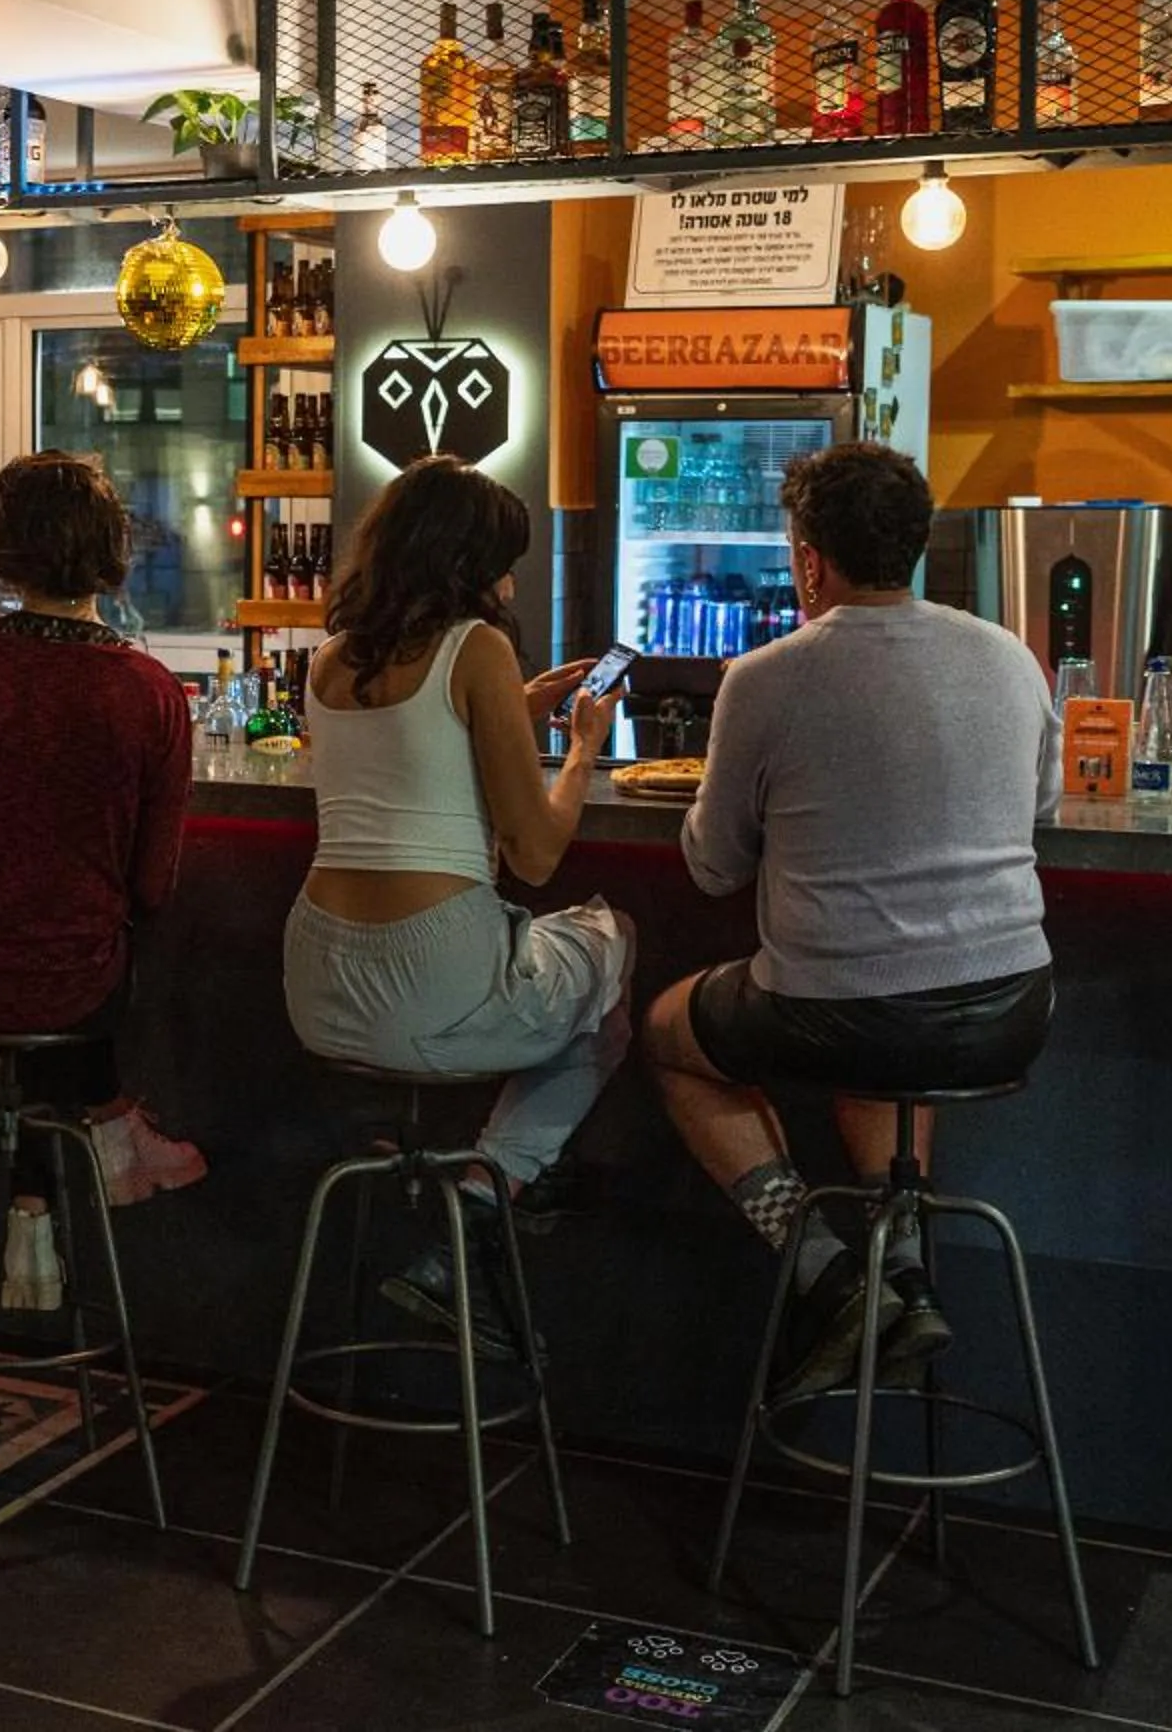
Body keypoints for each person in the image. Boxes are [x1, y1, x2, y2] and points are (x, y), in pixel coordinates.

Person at [642, 442, 1059, 1402]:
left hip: (841, 1012)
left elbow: (711, 868)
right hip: (1011, 1006)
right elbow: (1039, 810)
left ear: (808, 559)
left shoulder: (767, 675)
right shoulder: (1008, 657)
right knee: (881, 1008)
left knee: (671, 1035)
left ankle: (822, 1264)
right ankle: (903, 1272)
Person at [282, 455, 633, 1357]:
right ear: (464, 565)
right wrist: (583, 749)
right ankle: (489, 1199)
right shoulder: (477, 646)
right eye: (500, 564)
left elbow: (410, 747)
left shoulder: (328, 660)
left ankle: (490, 1201)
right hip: (434, 981)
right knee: (612, 946)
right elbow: (539, 854)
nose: (508, 583)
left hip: (318, 981)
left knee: (551, 959)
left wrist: (512, 708)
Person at [0, 453, 206, 1232]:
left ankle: (34, 1206)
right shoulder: (151, 692)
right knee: (69, 958)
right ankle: (99, 1132)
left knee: (31, 948)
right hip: (75, 985)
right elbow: (153, 887)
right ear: (111, 550)